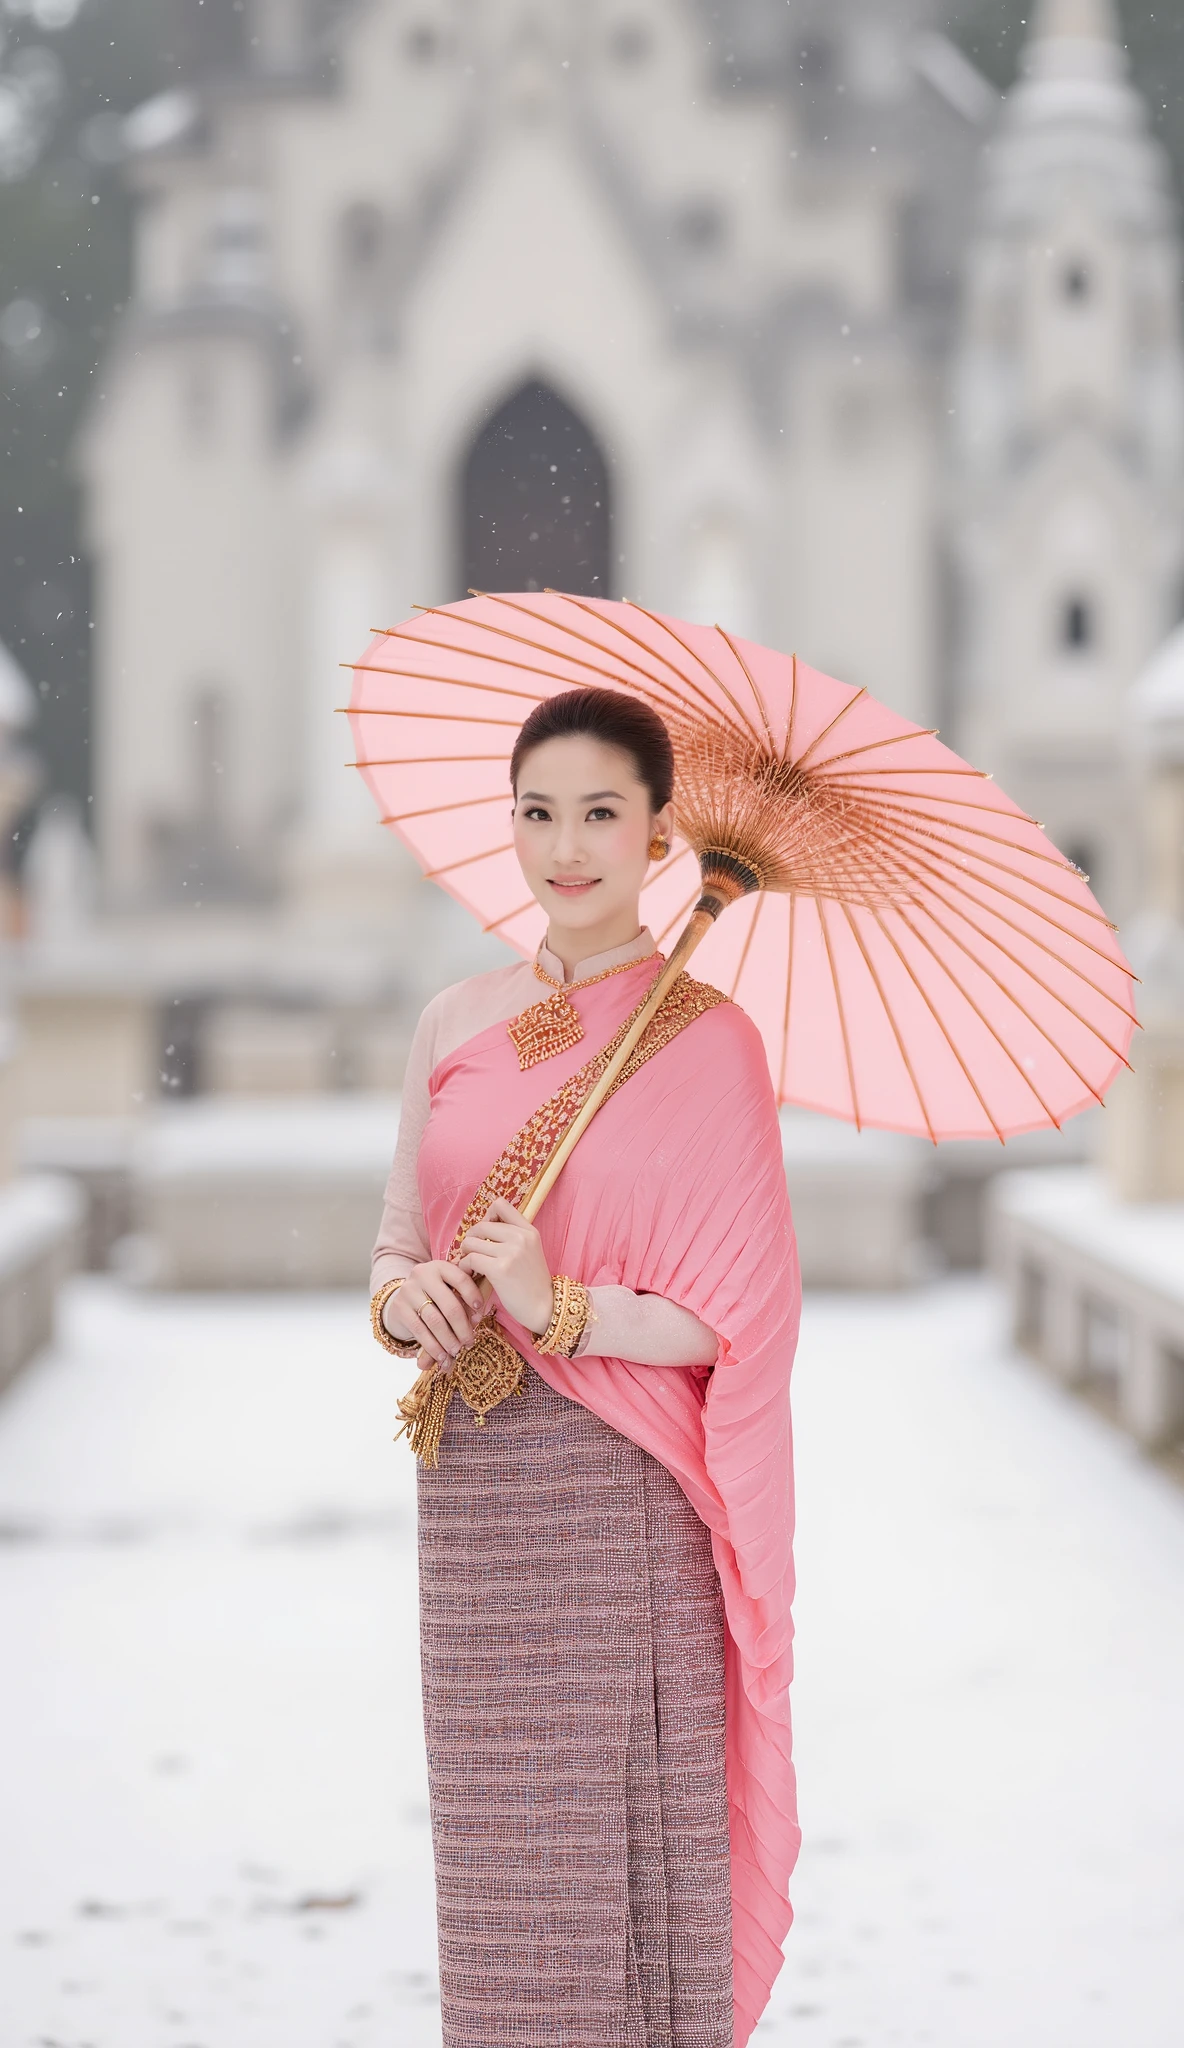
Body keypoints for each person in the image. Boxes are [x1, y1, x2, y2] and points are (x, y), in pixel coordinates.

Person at [370, 686, 801, 2048]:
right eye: (538, 812)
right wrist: (411, 1302)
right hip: (474, 1486)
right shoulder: (456, 1022)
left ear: (660, 833)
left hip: (621, 1489)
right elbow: (392, 1246)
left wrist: (556, 1307)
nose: (566, 848)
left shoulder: (710, 1043)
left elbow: (737, 1317)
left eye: (601, 814)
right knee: (500, 1850)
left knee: (615, 1834)